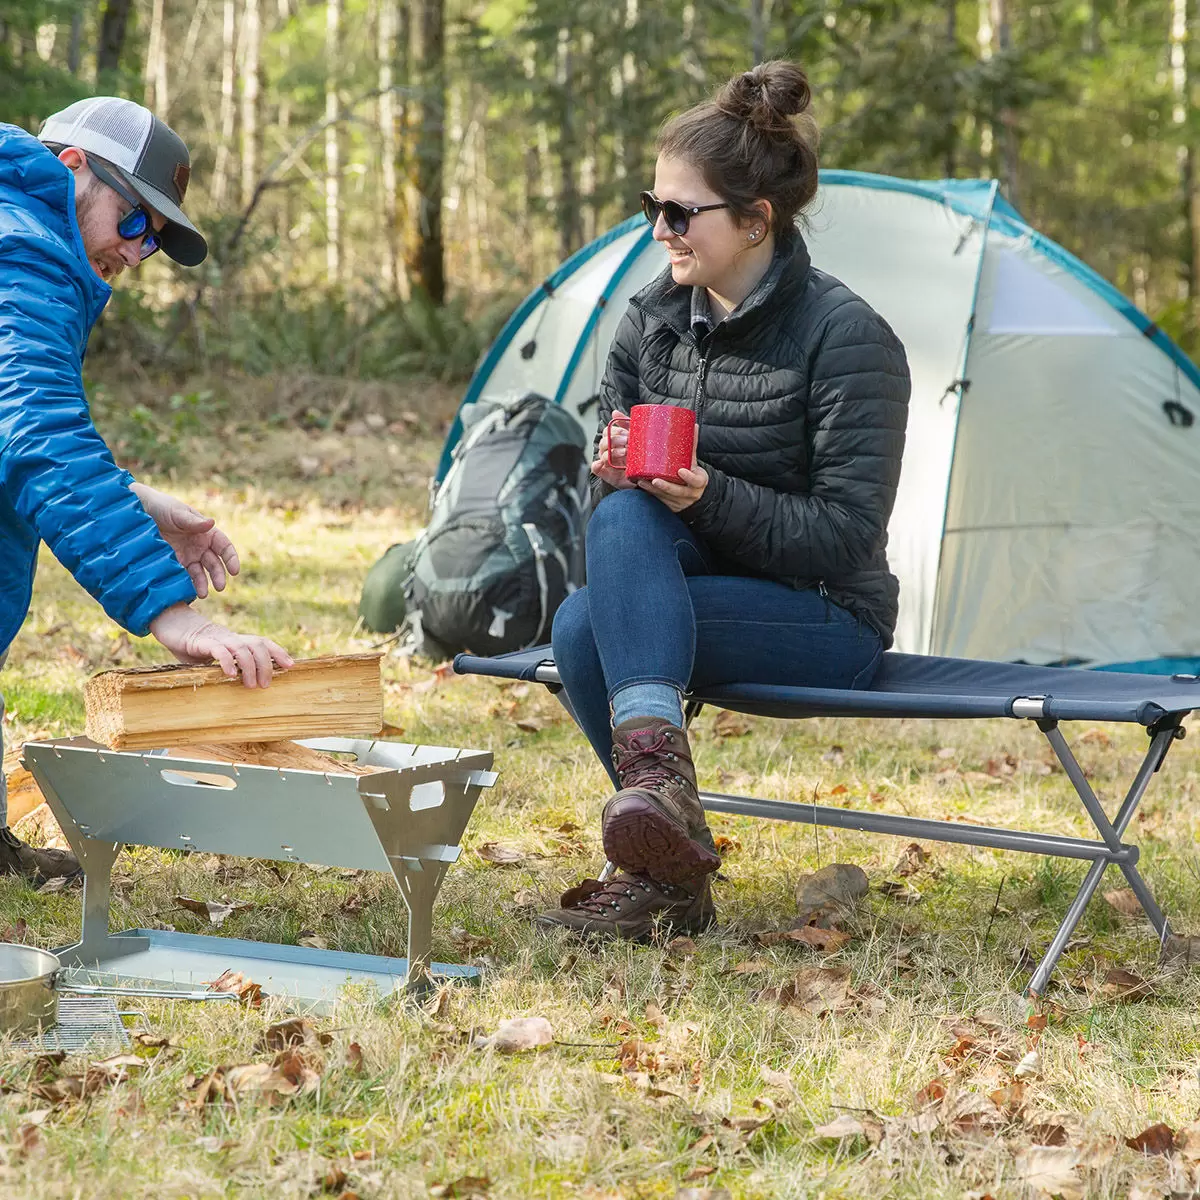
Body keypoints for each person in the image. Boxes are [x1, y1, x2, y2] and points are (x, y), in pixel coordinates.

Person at [538, 62, 911, 938]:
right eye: (652, 206)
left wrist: (707, 496)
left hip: (825, 615)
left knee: (588, 626)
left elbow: (847, 534)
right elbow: (623, 465)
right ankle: (664, 818)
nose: (660, 229)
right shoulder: (649, 321)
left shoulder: (847, 337)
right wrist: (617, 464)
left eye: (681, 212)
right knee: (615, 536)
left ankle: (665, 856)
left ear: (754, 221)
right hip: (688, 588)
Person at [0, 97, 294, 881]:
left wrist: (134, 500)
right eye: (134, 223)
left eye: (153, 244)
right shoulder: (23, 252)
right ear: (71, 168)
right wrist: (170, 611)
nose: (135, 255)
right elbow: (38, 437)